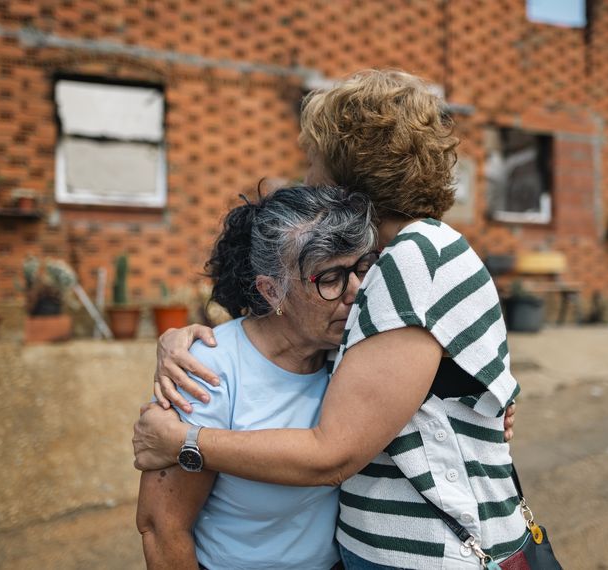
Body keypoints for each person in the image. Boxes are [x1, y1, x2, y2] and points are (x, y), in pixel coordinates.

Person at [134, 69, 525, 569]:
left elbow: (333, 452)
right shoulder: (397, 261)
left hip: (431, 554)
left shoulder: (412, 259)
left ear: (347, 170)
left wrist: (184, 441)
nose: (307, 177)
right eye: (335, 276)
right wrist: (179, 340)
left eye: (312, 160)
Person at [136, 184, 378, 569]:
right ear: (272, 291)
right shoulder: (209, 369)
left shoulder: (354, 352)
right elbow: (162, 526)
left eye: (362, 268)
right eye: (331, 277)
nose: (356, 291)